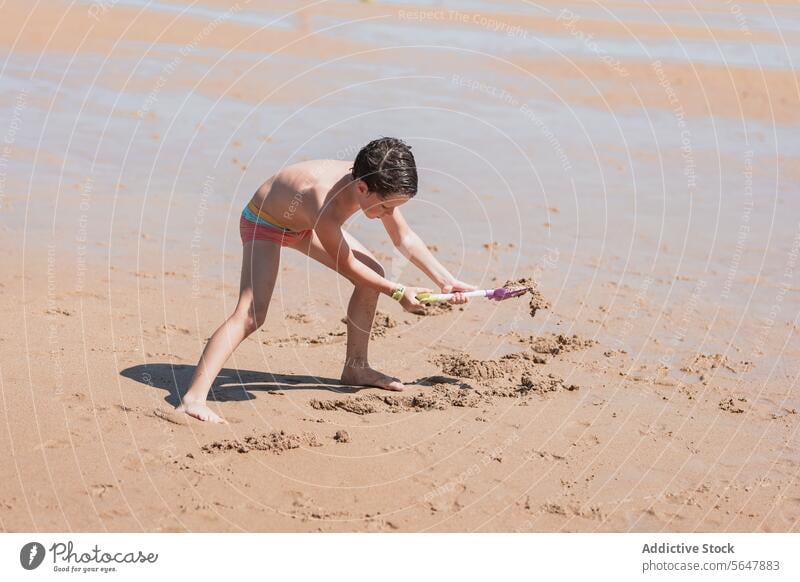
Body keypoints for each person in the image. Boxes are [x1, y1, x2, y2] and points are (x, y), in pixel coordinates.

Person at [176, 137, 477, 423]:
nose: (390, 214)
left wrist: (446, 281)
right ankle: (193, 399)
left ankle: (356, 368)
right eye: (386, 207)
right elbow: (347, 263)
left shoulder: (377, 177)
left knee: (373, 272)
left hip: (304, 225)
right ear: (362, 188)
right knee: (252, 314)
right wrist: (399, 292)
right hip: (265, 223)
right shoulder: (323, 200)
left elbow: (405, 238)